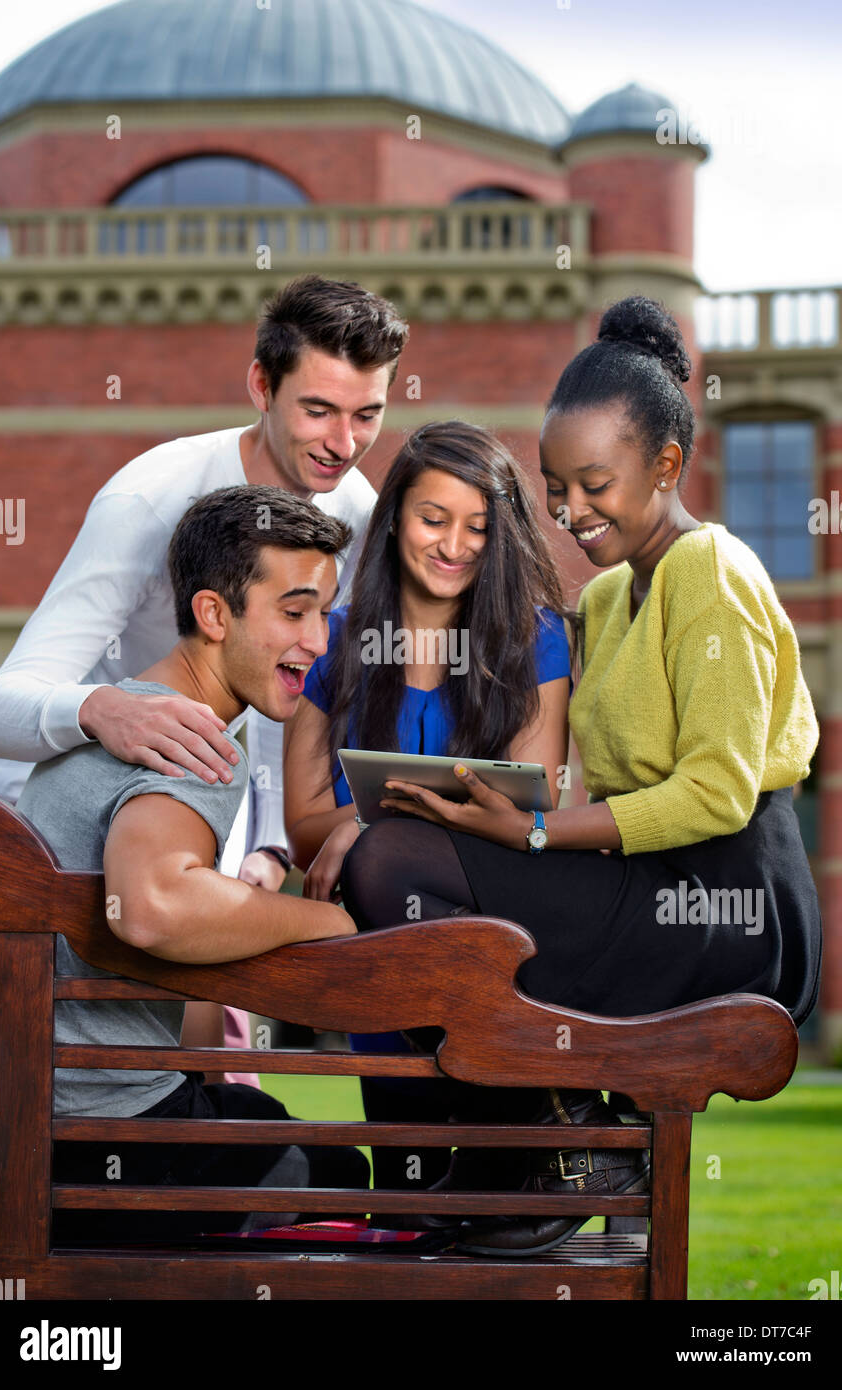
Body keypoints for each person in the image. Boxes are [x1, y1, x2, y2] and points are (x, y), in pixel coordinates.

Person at [338, 296, 823, 1256]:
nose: (570, 511)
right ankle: (517, 1145)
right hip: (642, 879)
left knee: (395, 865)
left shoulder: (709, 571)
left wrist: (528, 834)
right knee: (392, 859)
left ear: (667, 465)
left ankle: (565, 1140)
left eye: (593, 483)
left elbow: (716, 792)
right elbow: (533, 698)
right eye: (554, 487)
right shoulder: (607, 593)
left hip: (725, 903)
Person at [0, 274, 408, 1080]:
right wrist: (107, 711)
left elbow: (294, 698)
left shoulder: (354, 511)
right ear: (260, 386)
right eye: (317, 410)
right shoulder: (149, 496)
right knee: (41, 1085)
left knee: (212, 1075)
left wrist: (271, 844)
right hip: (37, 829)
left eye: (366, 415)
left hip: (186, 812)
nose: (342, 443)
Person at [0, 485, 369, 1244]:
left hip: (7, 1121)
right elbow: (151, 907)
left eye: (324, 611)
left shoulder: (130, 711)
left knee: (260, 1121)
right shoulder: (191, 744)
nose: (319, 640)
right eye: (293, 612)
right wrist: (330, 919)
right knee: (344, 1173)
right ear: (215, 615)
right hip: (84, 1145)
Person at [282, 420, 575, 1188]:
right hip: (373, 970)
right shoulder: (335, 648)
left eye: (479, 526)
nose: (455, 545)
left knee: (490, 1193)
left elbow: (525, 806)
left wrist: (375, 819)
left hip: (491, 949)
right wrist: (361, 826)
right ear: (395, 522)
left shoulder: (535, 643)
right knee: (406, 1185)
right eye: (432, 519)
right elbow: (306, 830)